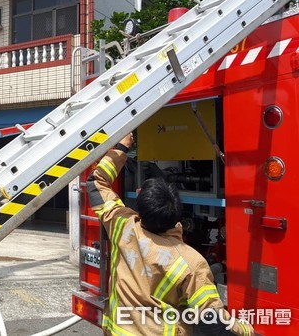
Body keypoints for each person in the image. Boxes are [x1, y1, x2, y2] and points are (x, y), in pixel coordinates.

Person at [88, 133, 254, 336]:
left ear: (141, 212)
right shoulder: (191, 262)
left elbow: (96, 183)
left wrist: (122, 148)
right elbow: (213, 323)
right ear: (177, 214)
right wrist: (247, 330)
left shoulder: (122, 226)